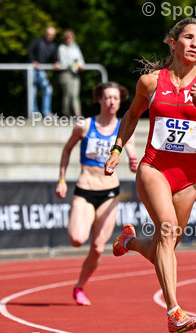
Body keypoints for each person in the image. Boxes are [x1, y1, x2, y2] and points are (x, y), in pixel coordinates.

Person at [104, 18, 196, 333]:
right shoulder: (150, 83)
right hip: (154, 168)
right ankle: (174, 311)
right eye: (189, 37)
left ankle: (129, 241)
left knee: (166, 243)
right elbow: (132, 116)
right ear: (173, 43)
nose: (195, 44)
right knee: (169, 229)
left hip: (187, 179)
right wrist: (117, 151)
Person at [56, 81, 138, 306]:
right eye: (108, 97)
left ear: (120, 102)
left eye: (116, 98)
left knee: (98, 247)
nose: (112, 102)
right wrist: (62, 179)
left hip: (110, 193)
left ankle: (80, 286)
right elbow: (67, 150)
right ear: (100, 100)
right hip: (85, 190)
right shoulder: (84, 126)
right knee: (77, 239)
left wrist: (133, 161)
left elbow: (131, 152)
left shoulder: (124, 128)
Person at [27, 26, 59, 116]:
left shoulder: (53, 45)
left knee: (48, 89)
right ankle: (34, 113)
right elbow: (29, 50)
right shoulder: (38, 41)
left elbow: (55, 56)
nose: (50, 36)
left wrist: (56, 62)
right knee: (33, 90)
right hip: (32, 69)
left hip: (41, 69)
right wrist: (33, 61)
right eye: (48, 34)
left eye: (52, 35)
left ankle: (46, 112)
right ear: (45, 33)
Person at [57, 30, 85, 117]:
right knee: (68, 94)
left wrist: (80, 65)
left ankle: (77, 113)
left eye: (70, 37)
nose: (68, 39)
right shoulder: (61, 48)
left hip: (75, 73)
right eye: (66, 37)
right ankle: (67, 114)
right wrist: (75, 64)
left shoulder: (76, 47)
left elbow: (81, 60)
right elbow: (64, 62)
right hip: (66, 73)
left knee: (75, 94)